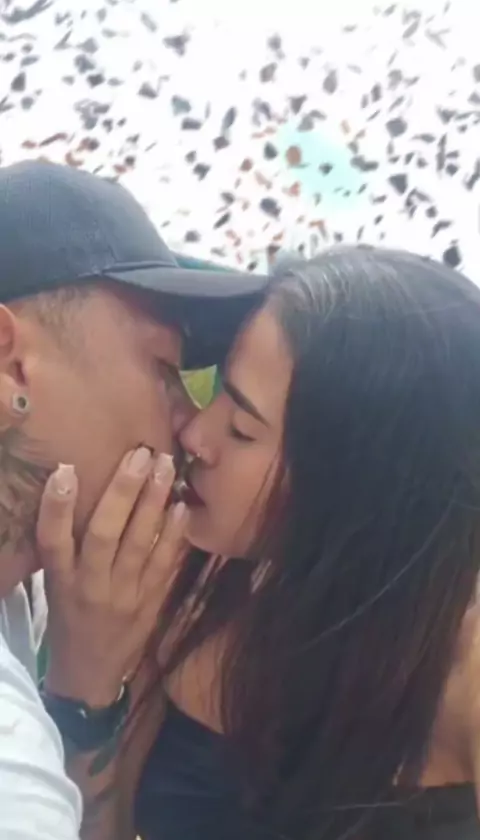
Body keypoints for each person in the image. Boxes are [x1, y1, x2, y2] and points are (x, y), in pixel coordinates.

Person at [35, 245, 480, 840]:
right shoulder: (194, 575)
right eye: (220, 390)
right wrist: (84, 683)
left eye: (243, 429)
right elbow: (99, 825)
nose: (195, 433)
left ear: (357, 488)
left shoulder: (460, 673)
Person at [0, 159, 267, 839]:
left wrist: (83, 691)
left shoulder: (27, 603)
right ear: (10, 364)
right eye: (164, 371)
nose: (190, 427)